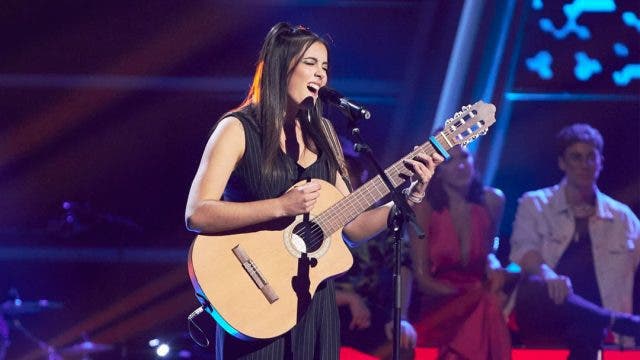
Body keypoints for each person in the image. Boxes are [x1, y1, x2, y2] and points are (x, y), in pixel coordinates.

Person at [184, 22, 442, 360]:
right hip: (254, 301)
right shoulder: (237, 129)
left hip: (314, 304)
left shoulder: (326, 135)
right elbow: (198, 213)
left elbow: (352, 228)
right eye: (311, 63)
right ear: (281, 65)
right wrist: (280, 206)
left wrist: (406, 198)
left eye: (325, 67)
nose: (321, 75)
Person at [509, 123, 640, 359]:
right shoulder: (535, 204)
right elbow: (523, 248)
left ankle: (605, 318)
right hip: (545, 309)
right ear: (562, 163)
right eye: (576, 157)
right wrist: (549, 275)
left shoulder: (622, 218)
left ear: (601, 162)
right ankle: (614, 320)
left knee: (588, 328)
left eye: (591, 157)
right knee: (540, 285)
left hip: (593, 320)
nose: (584, 164)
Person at [409, 145, 512, 360]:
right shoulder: (424, 206)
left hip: (478, 297)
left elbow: (488, 250)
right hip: (438, 301)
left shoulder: (493, 200)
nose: (461, 165)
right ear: (437, 169)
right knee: (487, 304)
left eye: (465, 157)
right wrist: (465, 296)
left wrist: (492, 261)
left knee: (486, 304)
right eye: (450, 160)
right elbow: (422, 280)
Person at [335, 154, 417, 359]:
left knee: (402, 343)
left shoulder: (375, 220)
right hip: (319, 307)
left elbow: (404, 263)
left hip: (364, 312)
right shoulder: (309, 218)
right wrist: (348, 299)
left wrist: (401, 317)